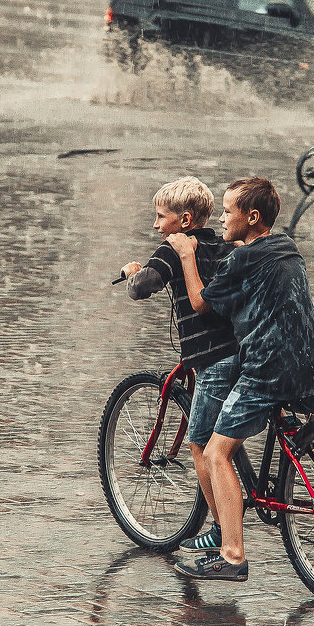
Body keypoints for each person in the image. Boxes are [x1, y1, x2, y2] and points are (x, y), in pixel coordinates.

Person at [165, 177, 314, 583]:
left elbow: (200, 303)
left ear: (252, 217)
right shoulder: (285, 247)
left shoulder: (239, 261)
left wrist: (188, 254)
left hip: (268, 366)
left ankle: (231, 553)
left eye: (229, 212)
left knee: (215, 453)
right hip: (307, 359)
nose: (224, 218)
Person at [120, 177, 240, 556]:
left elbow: (142, 288)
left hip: (211, 358)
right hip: (242, 351)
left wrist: (130, 273)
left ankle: (223, 530)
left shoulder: (174, 249)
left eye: (161, 217)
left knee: (200, 443)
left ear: (185, 220)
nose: (156, 226)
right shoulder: (225, 244)